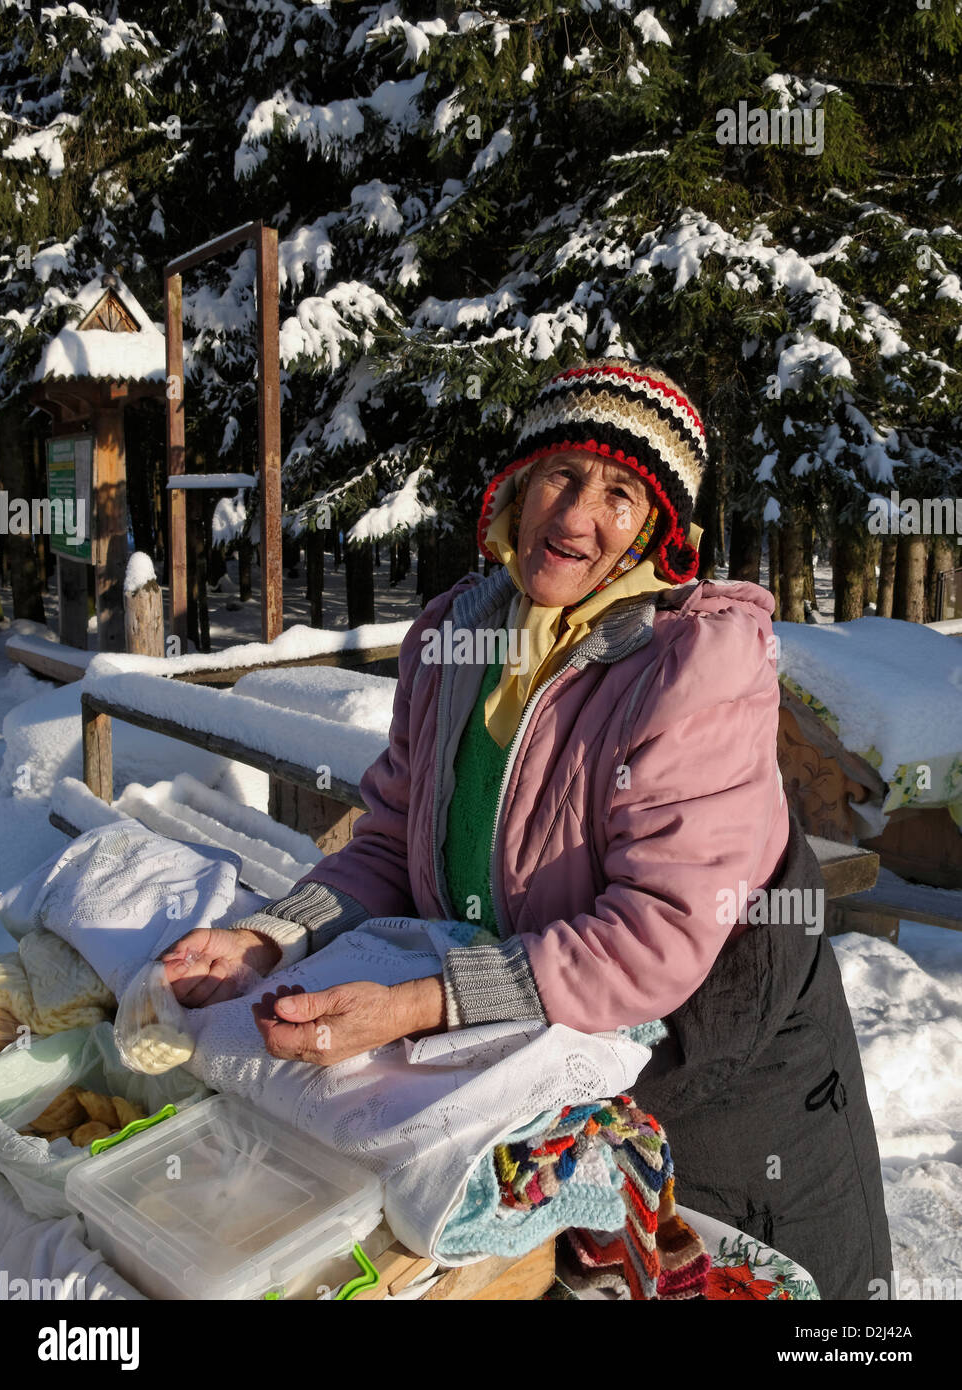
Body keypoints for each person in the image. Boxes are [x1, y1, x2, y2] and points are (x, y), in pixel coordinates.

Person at [163, 357, 892, 1299]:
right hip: (540, 1068)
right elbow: (389, 842)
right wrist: (270, 936)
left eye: (623, 493)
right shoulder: (454, 640)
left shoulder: (694, 664)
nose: (578, 515)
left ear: (658, 531)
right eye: (562, 474)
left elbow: (655, 935)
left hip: (716, 1078)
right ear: (514, 488)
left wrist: (424, 1002)